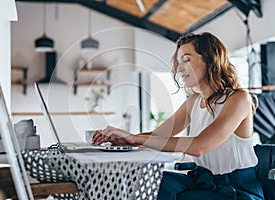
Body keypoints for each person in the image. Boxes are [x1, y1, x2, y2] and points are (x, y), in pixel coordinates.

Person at [92, 32, 264, 200]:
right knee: (147, 181)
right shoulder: (194, 101)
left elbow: (199, 146)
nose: (179, 68)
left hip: (238, 189)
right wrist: (128, 139)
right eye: (179, 62)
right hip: (203, 180)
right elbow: (159, 136)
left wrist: (135, 138)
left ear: (211, 60)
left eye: (187, 60)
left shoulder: (238, 99)